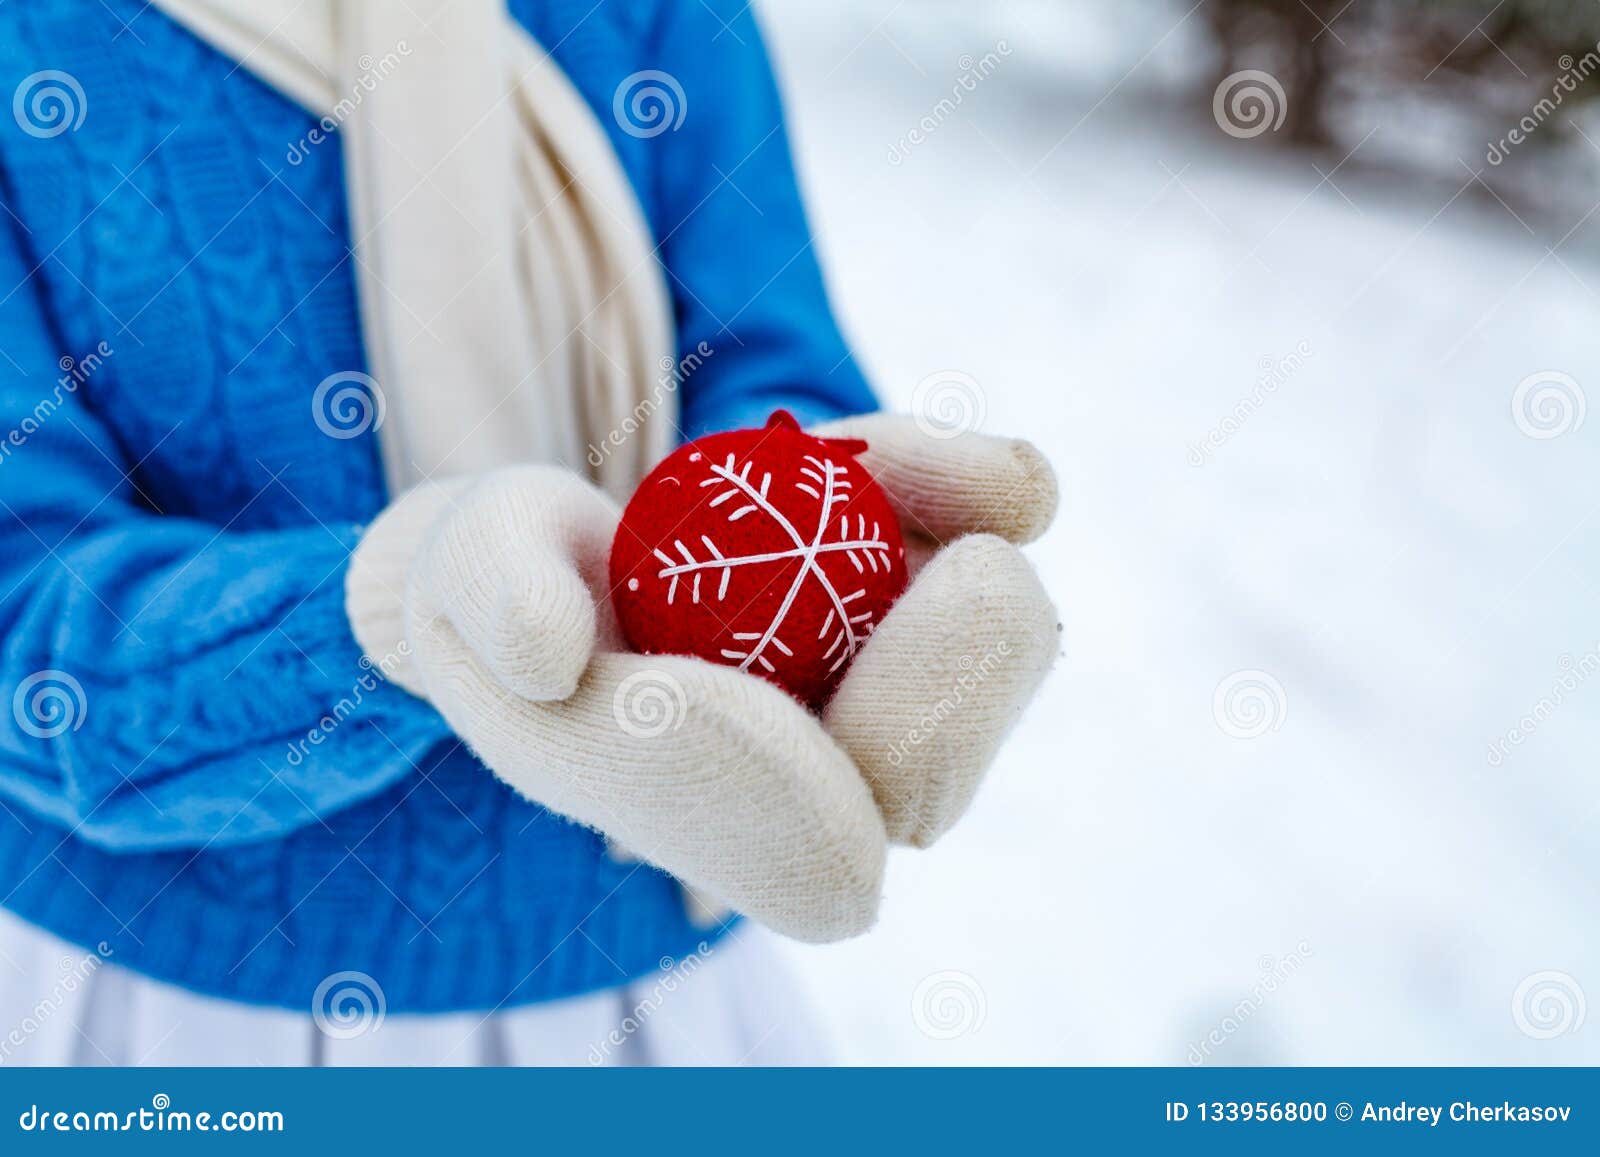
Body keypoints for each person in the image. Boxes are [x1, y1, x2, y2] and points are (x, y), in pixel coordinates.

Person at [0, 0, 1057, 1065]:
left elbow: (759, 354)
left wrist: (805, 531)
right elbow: (24, 601)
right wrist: (389, 611)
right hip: (165, 1015)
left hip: (639, 982)